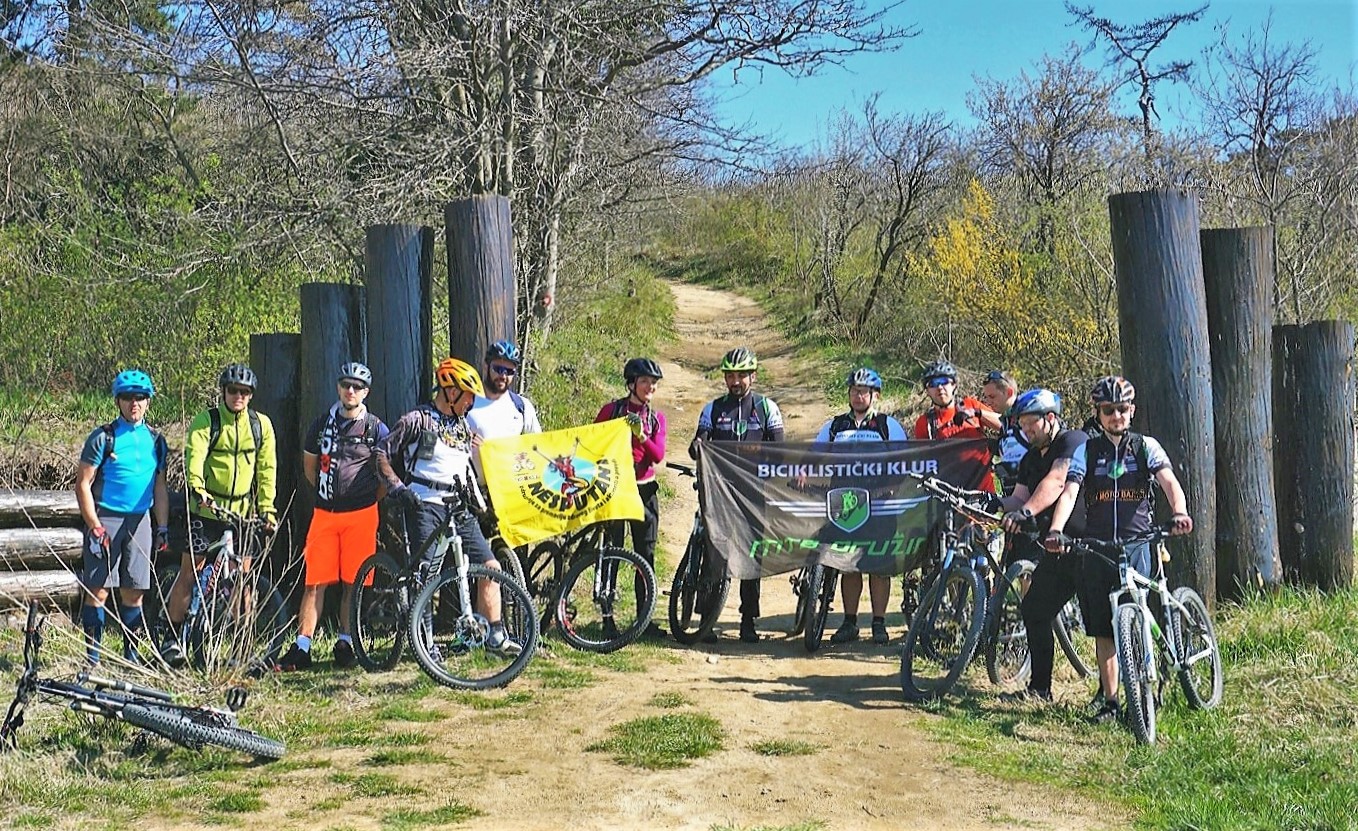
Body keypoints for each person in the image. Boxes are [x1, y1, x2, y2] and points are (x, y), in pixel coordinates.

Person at [1040, 376, 1193, 723]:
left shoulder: (1145, 447)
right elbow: (1070, 491)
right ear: (1098, 413)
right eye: (1108, 410)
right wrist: (1056, 530)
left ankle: (1147, 687)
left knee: (1140, 611)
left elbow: (1169, 481)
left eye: (1122, 409)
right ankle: (1111, 702)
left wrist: (1180, 512)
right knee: (1103, 629)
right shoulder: (1086, 451)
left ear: (1132, 410)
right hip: (1099, 547)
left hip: (1138, 543)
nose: (1116, 416)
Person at [376, 358, 519, 655]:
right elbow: (381, 454)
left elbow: (466, 469)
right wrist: (399, 489)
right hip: (424, 504)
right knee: (425, 577)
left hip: (457, 507)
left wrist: (482, 509)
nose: (471, 403)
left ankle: (493, 636)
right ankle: (425, 644)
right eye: (468, 396)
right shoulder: (417, 419)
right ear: (451, 392)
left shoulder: (463, 426)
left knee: (490, 567)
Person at [162, 363, 278, 665]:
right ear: (223, 392)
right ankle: (172, 639)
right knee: (190, 572)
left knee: (242, 580)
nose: (238, 396)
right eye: (233, 391)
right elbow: (195, 456)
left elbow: (267, 469)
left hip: (241, 513)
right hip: (205, 510)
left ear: (251, 395)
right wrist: (198, 489)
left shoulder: (261, 425)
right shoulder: (207, 421)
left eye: (244, 392)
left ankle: (241, 645)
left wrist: (267, 508)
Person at [276, 363, 390, 671]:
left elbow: (386, 474)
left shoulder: (376, 428)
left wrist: (365, 499)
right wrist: (330, 496)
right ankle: (302, 647)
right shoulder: (321, 424)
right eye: (345, 384)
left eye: (357, 386)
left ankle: (346, 642)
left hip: (362, 516)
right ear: (338, 387)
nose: (350, 390)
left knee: (354, 583)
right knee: (314, 582)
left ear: (366, 392)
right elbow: (310, 468)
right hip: (325, 514)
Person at [989, 388, 1088, 703]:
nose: (1026, 430)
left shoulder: (1074, 441)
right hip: (1056, 550)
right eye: (1021, 424)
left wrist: (1027, 512)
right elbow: (1018, 498)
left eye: (1031, 423)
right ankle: (1040, 689)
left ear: (1050, 418)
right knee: (1034, 609)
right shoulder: (1031, 457)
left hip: (1087, 546)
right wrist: (993, 502)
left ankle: (1111, 696)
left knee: (1102, 624)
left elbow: (1057, 482)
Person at [689, 347, 785, 643]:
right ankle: (707, 619)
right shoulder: (713, 409)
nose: (735, 381)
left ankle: (748, 620)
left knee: (752, 557)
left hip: (754, 495)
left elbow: (780, 452)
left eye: (741, 375)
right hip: (719, 492)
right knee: (714, 555)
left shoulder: (767, 409)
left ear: (753, 376)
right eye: (730, 375)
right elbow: (698, 443)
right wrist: (698, 445)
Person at [74, 370, 170, 664]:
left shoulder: (156, 440)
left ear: (148, 401)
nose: (134, 403)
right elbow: (83, 484)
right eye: (128, 397)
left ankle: (132, 657)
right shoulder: (103, 437)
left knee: (134, 593)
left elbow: (160, 486)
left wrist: (163, 526)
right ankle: (92, 659)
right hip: (107, 520)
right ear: (118, 401)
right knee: (98, 591)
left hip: (140, 521)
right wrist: (95, 526)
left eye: (140, 397)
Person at [815, 368, 909, 646]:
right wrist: (804, 473)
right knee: (849, 566)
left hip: (879, 506)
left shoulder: (887, 425)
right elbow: (814, 456)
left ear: (875, 395)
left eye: (864, 391)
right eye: (854, 390)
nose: (858, 396)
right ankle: (849, 622)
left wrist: (892, 486)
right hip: (845, 507)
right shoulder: (834, 426)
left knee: (878, 566)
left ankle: (879, 623)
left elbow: (904, 462)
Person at [595, 357, 667, 639]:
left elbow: (658, 456)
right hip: (614, 489)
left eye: (654, 382)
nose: (650, 387)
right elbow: (593, 443)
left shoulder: (656, 419)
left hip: (644, 490)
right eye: (645, 381)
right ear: (631, 384)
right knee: (611, 552)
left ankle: (643, 618)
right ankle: (607, 617)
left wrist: (642, 436)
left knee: (645, 555)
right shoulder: (611, 411)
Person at [467, 340, 543, 481]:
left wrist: (489, 450)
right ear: (486, 366)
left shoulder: (522, 406)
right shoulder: (466, 402)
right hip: (472, 489)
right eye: (498, 369)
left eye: (509, 372)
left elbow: (538, 450)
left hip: (510, 488)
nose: (503, 376)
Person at [912, 360, 1002, 440]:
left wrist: (976, 413)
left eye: (944, 381)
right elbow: (921, 452)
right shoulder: (924, 423)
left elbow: (1003, 425)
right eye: (933, 384)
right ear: (927, 391)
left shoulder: (970, 404)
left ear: (953, 385)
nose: (939, 387)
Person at [980, 369, 1026, 495]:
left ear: (1009, 392)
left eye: (992, 397)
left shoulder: (1027, 416)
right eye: (986, 397)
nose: (988, 402)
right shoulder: (1006, 420)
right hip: (1013, 495)